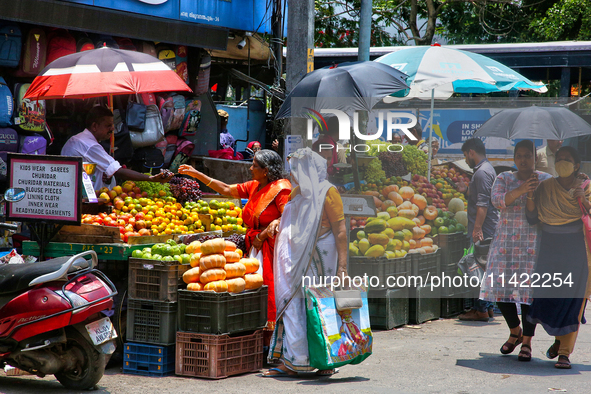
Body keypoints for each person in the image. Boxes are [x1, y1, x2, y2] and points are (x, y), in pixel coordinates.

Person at [178, 150, 291, 327]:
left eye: (254, 165)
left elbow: (289, 217)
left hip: (274, 251)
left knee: (271, 292)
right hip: (255, 247)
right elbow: (225, 189)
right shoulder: (255, 185)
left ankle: (272, 337)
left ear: (266, 170)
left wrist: (265, 231)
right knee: (255, 289)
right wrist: (196, 174)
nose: (250, 167)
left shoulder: (281, 188)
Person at [264, 148, 348, 377]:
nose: (293, 175)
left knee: (319, 306)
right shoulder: (296, 193)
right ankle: (295, 360)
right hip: (296, 258)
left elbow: (340, 231)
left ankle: (325, 361)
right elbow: (290, 219)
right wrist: (277, 223)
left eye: (298, 170)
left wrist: (342, 267)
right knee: (294, 305)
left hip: (321, 256)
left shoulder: (328, 192)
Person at [480, 140, 552, 362]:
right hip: (505, 243)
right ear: (514, 158)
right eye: (519, 156)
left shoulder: (546, 180)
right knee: (499, 287)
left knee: (528, 293)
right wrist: (522, 189)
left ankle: (527, 342)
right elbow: (498, 201)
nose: (523, 160)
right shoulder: (504, 178)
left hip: (533, 243)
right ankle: (515, 331)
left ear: (534, 157)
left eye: (527, 156)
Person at [526, 146, 591, 369]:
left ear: (576, 165)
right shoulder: (546, 186)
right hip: (550, 248)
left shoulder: (585, 185)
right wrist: (531, 196)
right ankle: (557, 340)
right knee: (548, 298)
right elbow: (533, 218)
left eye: (567, 159)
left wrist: (584, 199)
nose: (562, 162)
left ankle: (564, 353)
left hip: (576, 248)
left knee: (573, 300)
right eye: (560, 158)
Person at [61, 106, 172, 190]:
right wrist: (150, 178)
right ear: (94, 126)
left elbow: (91, 170)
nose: (113, 128)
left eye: (113, 125)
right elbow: (117, 171)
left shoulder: (78, 139)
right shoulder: (89, 145)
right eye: (108, 126)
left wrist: (105, 176)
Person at [458, 138, 500, 321]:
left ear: (471, 152)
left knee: (478, 268)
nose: (465, 159)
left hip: (484, 229)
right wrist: (465, 191)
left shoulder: (482, 172)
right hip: (488, 227)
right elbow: (479, 198)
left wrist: (477, 229)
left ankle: (481, 309)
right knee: (486, 268)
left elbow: (483, 204)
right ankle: (487, 307)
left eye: (465, 155)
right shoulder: (487, 169)